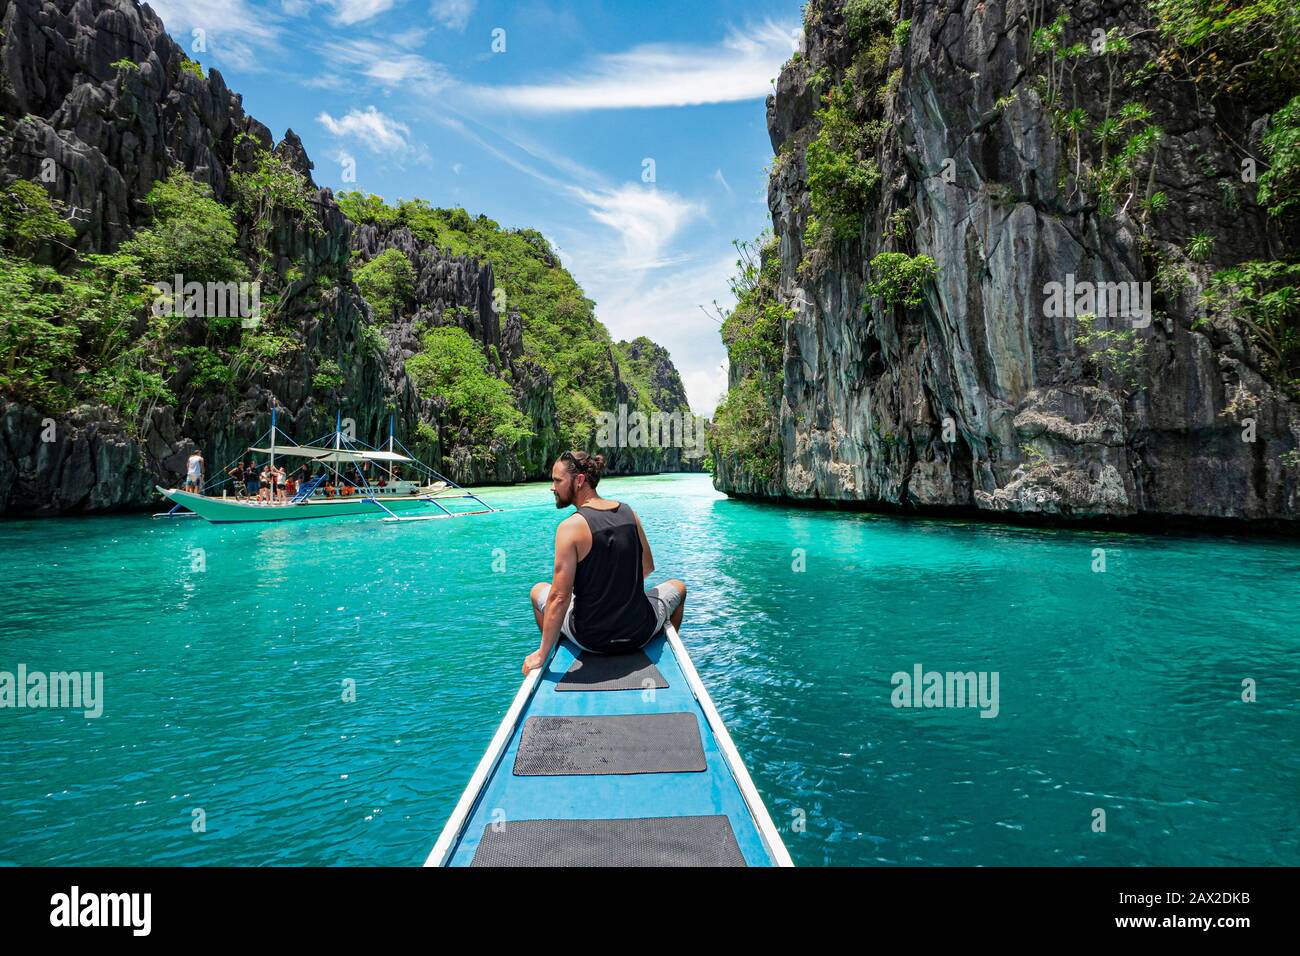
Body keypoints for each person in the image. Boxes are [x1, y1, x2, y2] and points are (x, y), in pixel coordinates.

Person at [524, 450, 686, 675]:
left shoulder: (570, 527)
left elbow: (560, 597)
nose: (552, 487)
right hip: (639, 632)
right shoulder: (629, 513)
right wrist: (616, 592)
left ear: (579, 481)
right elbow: (647, 567)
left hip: (591, 639)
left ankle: (552, 648)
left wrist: (540, 655)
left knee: (537, 591)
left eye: (557, 480)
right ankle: (664, 652)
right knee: (679, 587)